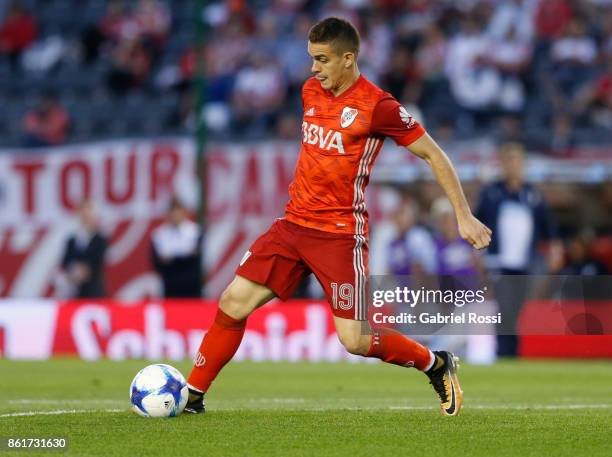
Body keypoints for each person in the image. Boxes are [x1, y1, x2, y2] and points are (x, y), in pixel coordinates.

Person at [185, 17, 491, 417]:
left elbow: (434, 153)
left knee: (355, 340)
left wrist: (463, 215)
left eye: (323, 60)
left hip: (340, 235)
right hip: (293, 225)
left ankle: (435, 364)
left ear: (348, 58)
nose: (314, 69)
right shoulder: (310, 90)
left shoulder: (378, 106)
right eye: (312, 59)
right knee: (233, 302)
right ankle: (193, 395)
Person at [475, 142, 562, 356]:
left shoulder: (533, 196)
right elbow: (477, 225)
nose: (513, 165)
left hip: (525, 263)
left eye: (516, 160)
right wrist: (477, 255)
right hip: (498, 262)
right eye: (508, 160)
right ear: (502, 164)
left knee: (516, 309)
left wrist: (554, 251)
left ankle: (510, 351)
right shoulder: (491, 194)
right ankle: (505, 352)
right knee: (504, 308)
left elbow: (549, 230)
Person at [151, 198, 203, 298]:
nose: (175, 215)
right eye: (172, 211)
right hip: (169, 286)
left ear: (184, 212)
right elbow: (156, 261)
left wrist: (172, 260)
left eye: (177, 211)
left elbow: (197, 258)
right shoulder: (159, 235)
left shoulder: (195, 232)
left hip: (191, 286)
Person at [59, 200, 108, 298]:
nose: (85, 216)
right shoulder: (71, 240)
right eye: (83, 213)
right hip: (74, 291)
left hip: (94, 292)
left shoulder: (100, 239)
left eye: (88, 213)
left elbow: (99, 261)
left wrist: (84, 270)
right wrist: (74, 269)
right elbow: (65, 261)